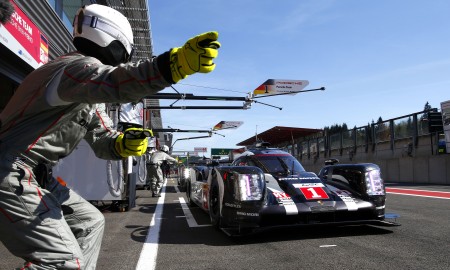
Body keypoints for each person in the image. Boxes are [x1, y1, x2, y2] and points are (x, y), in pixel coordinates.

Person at [0, 3, 220, 270]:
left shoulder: (85, 92)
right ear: (116, 40)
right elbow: (118, 82)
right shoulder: (74, 68)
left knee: (90, 222)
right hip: (10, 169)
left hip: (34, 173)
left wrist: (123, 144)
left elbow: (102, 140)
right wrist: (171, 66)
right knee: (62, 261)